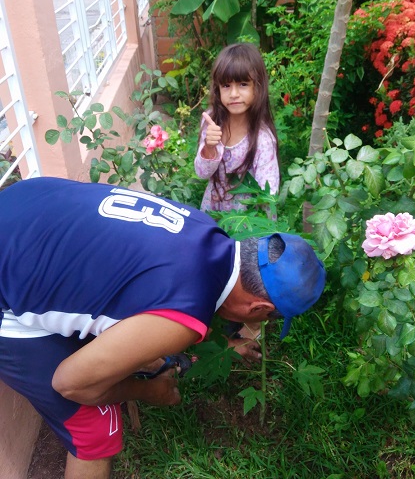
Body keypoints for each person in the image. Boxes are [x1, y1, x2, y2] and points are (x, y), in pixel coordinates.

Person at [0, 177, 325, 479]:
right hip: (5, 295)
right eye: (269, 319)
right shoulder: (184, 314)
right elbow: (70, 384)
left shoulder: (205, 229)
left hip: (22, 202)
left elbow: (168, 298)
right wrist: (149, 391)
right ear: (259, 309)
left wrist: (225, 345)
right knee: (97, 429)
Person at [194, 42, 280, 213]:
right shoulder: (212, 122)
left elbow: (268, 196)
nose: (234, 94)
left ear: (258, 87)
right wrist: (209, 147)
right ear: (218, 89)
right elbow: (202, 173)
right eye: (226, 86)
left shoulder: (263, 140)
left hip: (246, 219)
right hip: (213, 212)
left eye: (243, 84)